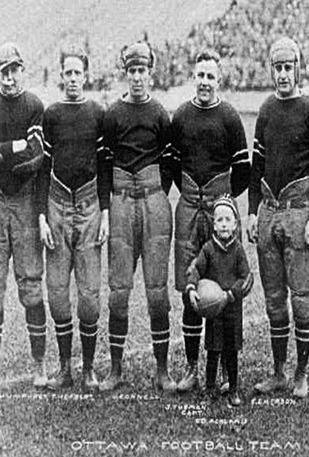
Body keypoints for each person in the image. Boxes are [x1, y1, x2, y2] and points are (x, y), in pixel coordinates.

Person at [247, 37, 309, 399]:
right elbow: (257, 166)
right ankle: (279, 371)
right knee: (274, 299)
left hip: (298, 212)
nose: (283, 74)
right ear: (271, 71)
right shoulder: (265, 110)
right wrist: (252, 212)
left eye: (288, 68)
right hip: (268, 212)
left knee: (302, 299)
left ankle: (301, 372)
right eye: (277, 68)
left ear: (298, 69)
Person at [169, 49, 250, 393]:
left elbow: (243, 171)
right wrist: (193, 193)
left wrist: (222, 202)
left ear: (220, 80)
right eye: (200, 75)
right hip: (189, 208)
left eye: (210, 76)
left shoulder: (230, 117)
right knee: (192, 290)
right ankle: (191, 367)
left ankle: (223, 370)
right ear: (194, 77)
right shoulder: (182, 116)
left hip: (219, 212)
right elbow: (172, 166)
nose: (204, 82)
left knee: (221, 286)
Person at [100, 41, 177, 392]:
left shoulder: (161, 114)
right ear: (125, 73)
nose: (137, 77)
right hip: (120, 203)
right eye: (131, 71)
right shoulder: (112, 114)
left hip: (153, 200)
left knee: (157, 291)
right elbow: (104, 162)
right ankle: (116, 370)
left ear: (151, 73)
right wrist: (109, 204)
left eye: (142, 71)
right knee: (118, 291)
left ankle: (163, 370)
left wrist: (155, 190)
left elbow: (171, 163)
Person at [37, 47, 110, 391]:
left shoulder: (97, 112)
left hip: (89, 206)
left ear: (86, 75)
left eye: (77, 73)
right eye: (67, 73)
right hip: (56, 205)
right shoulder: (51, 114)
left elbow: (106, 166)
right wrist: (41, 216)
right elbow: (41, 169)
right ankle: (65, 367)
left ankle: (88, 369)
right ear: (61, 76)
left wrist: (106, 212)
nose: (72, 79)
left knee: (90, 296)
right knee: (57, 294)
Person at [0, 41, 47, 387]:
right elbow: (22, 150)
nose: (9, 77)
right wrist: (12, 148)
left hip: (27, 204)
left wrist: (4, 153)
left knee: (31, 286)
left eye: (14, 70)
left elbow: (35, 156)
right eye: (3, 71)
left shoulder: (33, 105)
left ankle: (39, 363)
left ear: (22, 70)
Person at [186, 195, 253, 406]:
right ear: (214, 225)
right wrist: (191, 288)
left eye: (228, 220)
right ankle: (210, 389)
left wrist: (230, 294)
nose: (224, 224)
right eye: (219, 220)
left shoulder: (238, 250)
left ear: (235, 224)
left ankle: (233, 389)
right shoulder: (208, 249)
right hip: (214, 310)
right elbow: (196, 269)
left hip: (232, 308)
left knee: (231, 352)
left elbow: (246, 277)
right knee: (213, 351)